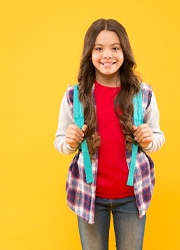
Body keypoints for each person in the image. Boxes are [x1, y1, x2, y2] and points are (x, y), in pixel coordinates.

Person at [54, 18, 165, 250]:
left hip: (132, 197)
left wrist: (149, 139)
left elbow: (157, 137)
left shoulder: (142, 93)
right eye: (99, 48)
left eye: (115, 48)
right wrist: (69, 141)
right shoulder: (75, 96)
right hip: (90, 197)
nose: (107, 55)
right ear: (89, 53)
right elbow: (60, 142)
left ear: (124, 51)